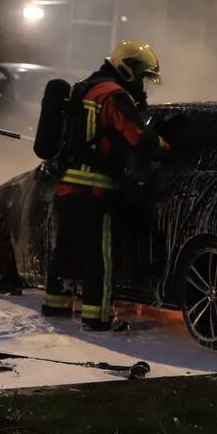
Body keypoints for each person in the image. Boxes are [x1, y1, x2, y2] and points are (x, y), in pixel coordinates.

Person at [42, 39, 169, 331]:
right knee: (98, 257)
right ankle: (97, 318)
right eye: (142, 77)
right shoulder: (114, 95)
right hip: (93, 189)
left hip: (67, 187)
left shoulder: (86, 88)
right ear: (128, 69)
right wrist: (165, 146)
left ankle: (54, 306)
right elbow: (138, 138)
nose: (143, 84)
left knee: (66, 250)